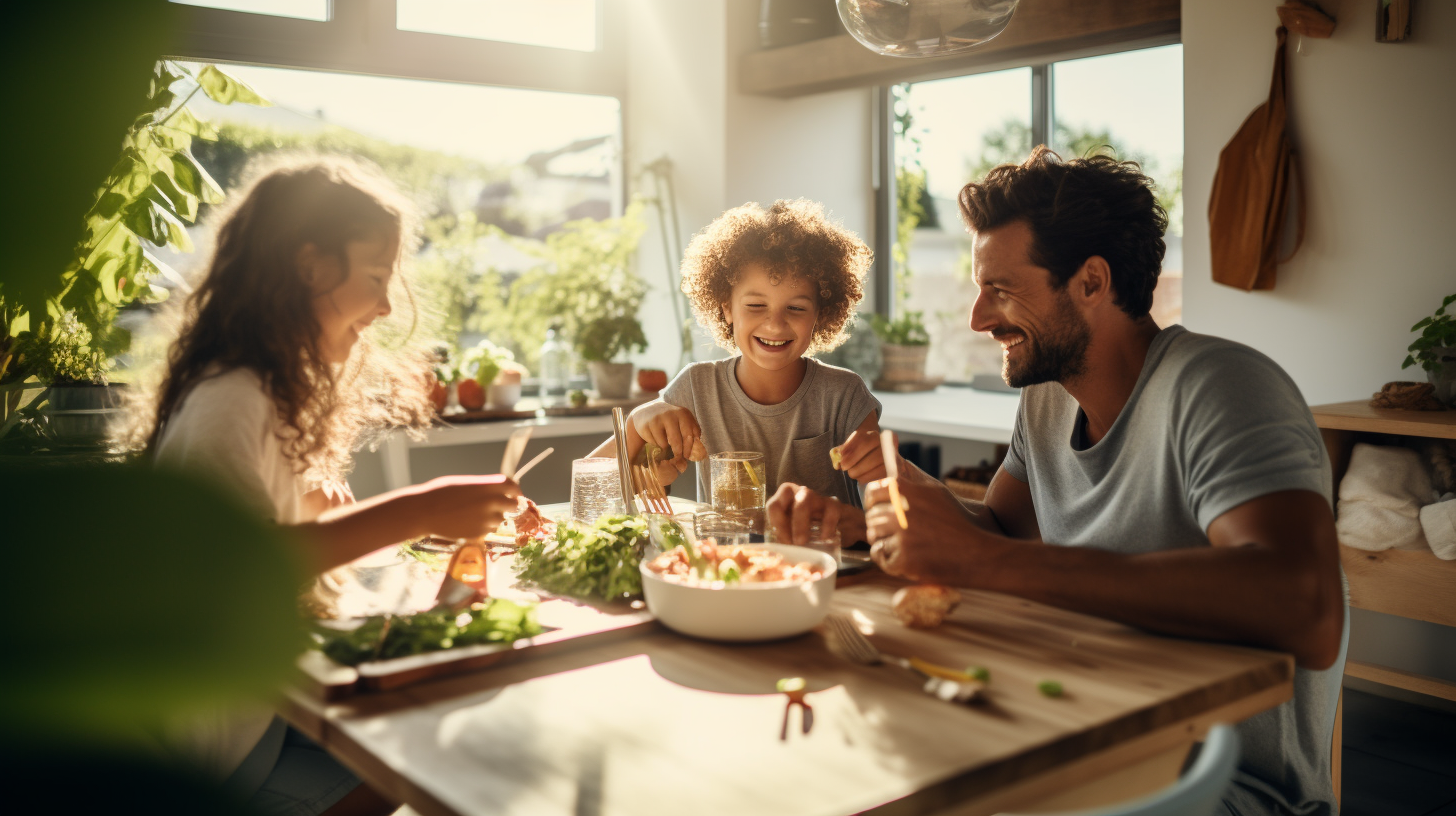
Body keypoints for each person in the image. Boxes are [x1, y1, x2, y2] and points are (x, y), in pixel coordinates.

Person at [769, 147, 1346, 816]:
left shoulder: (1220, 386)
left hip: (1217, 785)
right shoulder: (1048, 400)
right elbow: (1003, 536)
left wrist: (985, 557)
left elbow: (1307, 609)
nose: (978, 318)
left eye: (1002, 289)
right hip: (1080, 730)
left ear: (1092, 282)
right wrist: (889, 508)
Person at [124, 157, 522, 816]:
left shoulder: (257, 388)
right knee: (434, 753)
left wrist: (306, 507)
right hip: (221, 746)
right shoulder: (227, 399)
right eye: (374, 278)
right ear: (309, 266)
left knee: (430, 722)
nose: (388, 305)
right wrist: (421, 509)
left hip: (263, 707)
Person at [591, 199, 888, 540]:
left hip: (824, 569)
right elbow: (592, 490)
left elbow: (887, 508)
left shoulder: (844, 395)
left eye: (795, 307)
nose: (775, 324)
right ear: (726, 308)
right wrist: (635, 424)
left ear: (820, 316)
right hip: (728, 571)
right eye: (755, 305)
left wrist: (866, 522)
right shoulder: (695, 387)